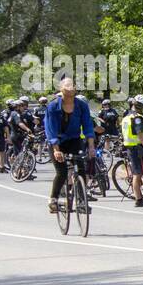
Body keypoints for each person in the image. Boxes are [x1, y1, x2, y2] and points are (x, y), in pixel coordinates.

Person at [43, 77, 96, 215]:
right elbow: (50, 129)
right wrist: (56, 150)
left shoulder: (81, 105)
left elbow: (88, 126)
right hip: (58, 142)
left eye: (72, 85)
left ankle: (82, 201)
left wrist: (91, 147)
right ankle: (53, 199)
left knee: (81, 169)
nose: (70, 88)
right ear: (62, 89)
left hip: (74, 140)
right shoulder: (53, 106)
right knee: (62, 172)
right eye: (67, 86)